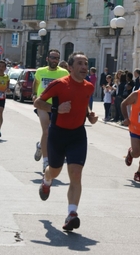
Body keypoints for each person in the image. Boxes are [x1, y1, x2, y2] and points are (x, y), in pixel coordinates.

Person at [34, 51, 98, 231]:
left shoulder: (89, 87)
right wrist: (56, 108)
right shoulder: (59, 85)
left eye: (85, 63)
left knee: (76, 173)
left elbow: (84, 103)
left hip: (77, 135)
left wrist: (89, 115)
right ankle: (46, 181)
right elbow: (38, 103)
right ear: (70, 68)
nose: (84, 66)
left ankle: (72, 214)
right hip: (58, 134)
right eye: (79, 63)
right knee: (54, 171)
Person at [32, 49, 69, 171]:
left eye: (57, 58)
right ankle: (46, 161)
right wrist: (34, 95)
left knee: (53, 133)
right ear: (47, 59)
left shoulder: (63, 72)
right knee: (46, 130)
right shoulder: (40, 71)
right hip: (42, 104)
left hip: (56, 106)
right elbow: (36, 83)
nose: (55, 60)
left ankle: (40, 146)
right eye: (53, 58)